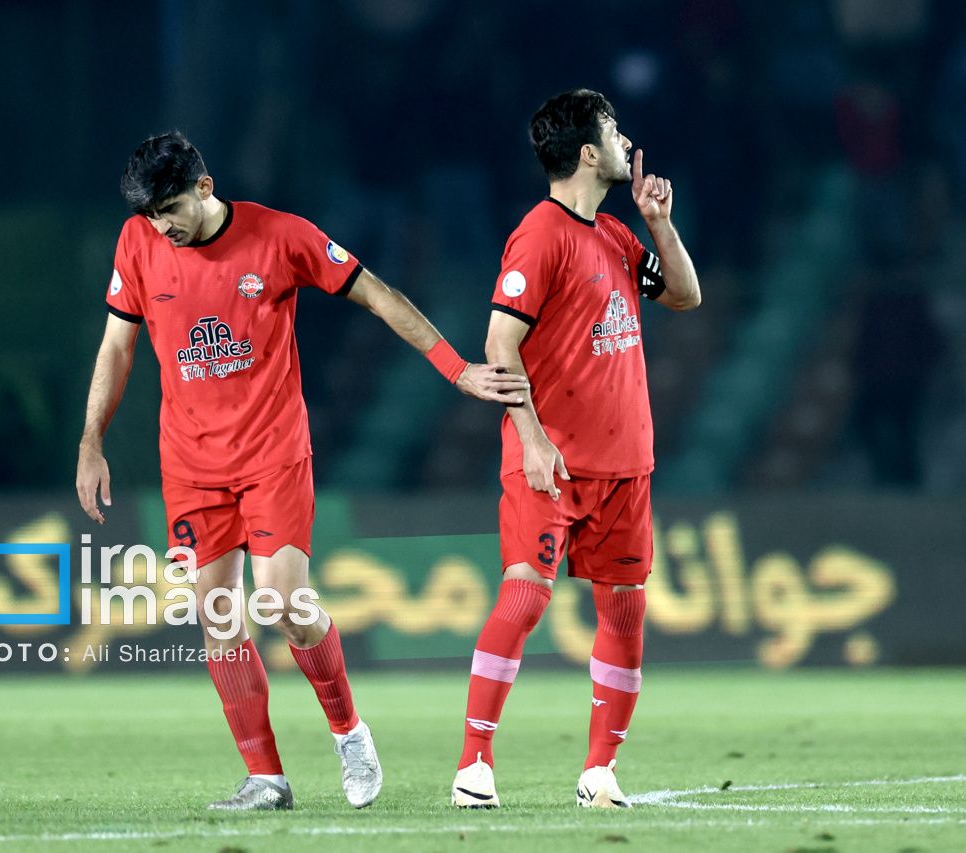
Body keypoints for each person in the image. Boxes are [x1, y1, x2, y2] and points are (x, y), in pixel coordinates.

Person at [75, 132, 528, 812]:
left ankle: (348, 730)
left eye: (168, 207)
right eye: (148, 213)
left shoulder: (281, 237)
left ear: (204, 187)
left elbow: (377, 293)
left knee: (283, 601)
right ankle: (267, 777)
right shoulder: (138, 243)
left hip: (271, 453)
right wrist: (91, 439)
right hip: (192, 463)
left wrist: (456, 368)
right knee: (219, 616)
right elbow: (117, 345)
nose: (160, 225)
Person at [451, 89, 700, 809]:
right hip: (553, 462)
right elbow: (500, 342)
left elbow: (685, 295)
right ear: (589, 151)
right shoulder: (541, 233)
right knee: (526, 597)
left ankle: (600, 771)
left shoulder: (619, 235)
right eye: (614, 130)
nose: (626, 140)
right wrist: (530, 439)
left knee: (624, 612)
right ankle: (474, 762)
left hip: (627, 464)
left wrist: (661, 224)